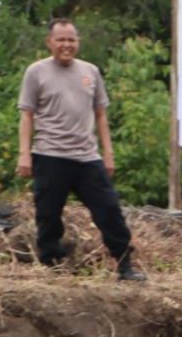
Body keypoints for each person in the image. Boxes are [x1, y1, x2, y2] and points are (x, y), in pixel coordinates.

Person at [17, 18, 144, 281]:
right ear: (49, 42)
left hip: (87, 157)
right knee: (48, 216)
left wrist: (108, 154)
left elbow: (100, 115)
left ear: (78, 42)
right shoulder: (36, 72)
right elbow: (27, 115)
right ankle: (53, 265)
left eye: (71, 40)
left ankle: (124, 265)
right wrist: (24, 154)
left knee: (109, 210)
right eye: (61, 40)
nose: (66, 45)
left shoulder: (91, 71)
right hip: (50, 154)